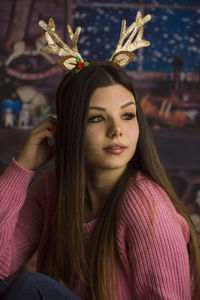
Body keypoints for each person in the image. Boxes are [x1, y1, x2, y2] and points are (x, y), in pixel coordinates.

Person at [1, 12, 200, 300]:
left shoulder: (145, 207)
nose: (117, 130)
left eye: (128, 115)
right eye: (96, 119)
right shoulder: (51, 191)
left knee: (31, 287)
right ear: (69, 127)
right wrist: (24, 167)